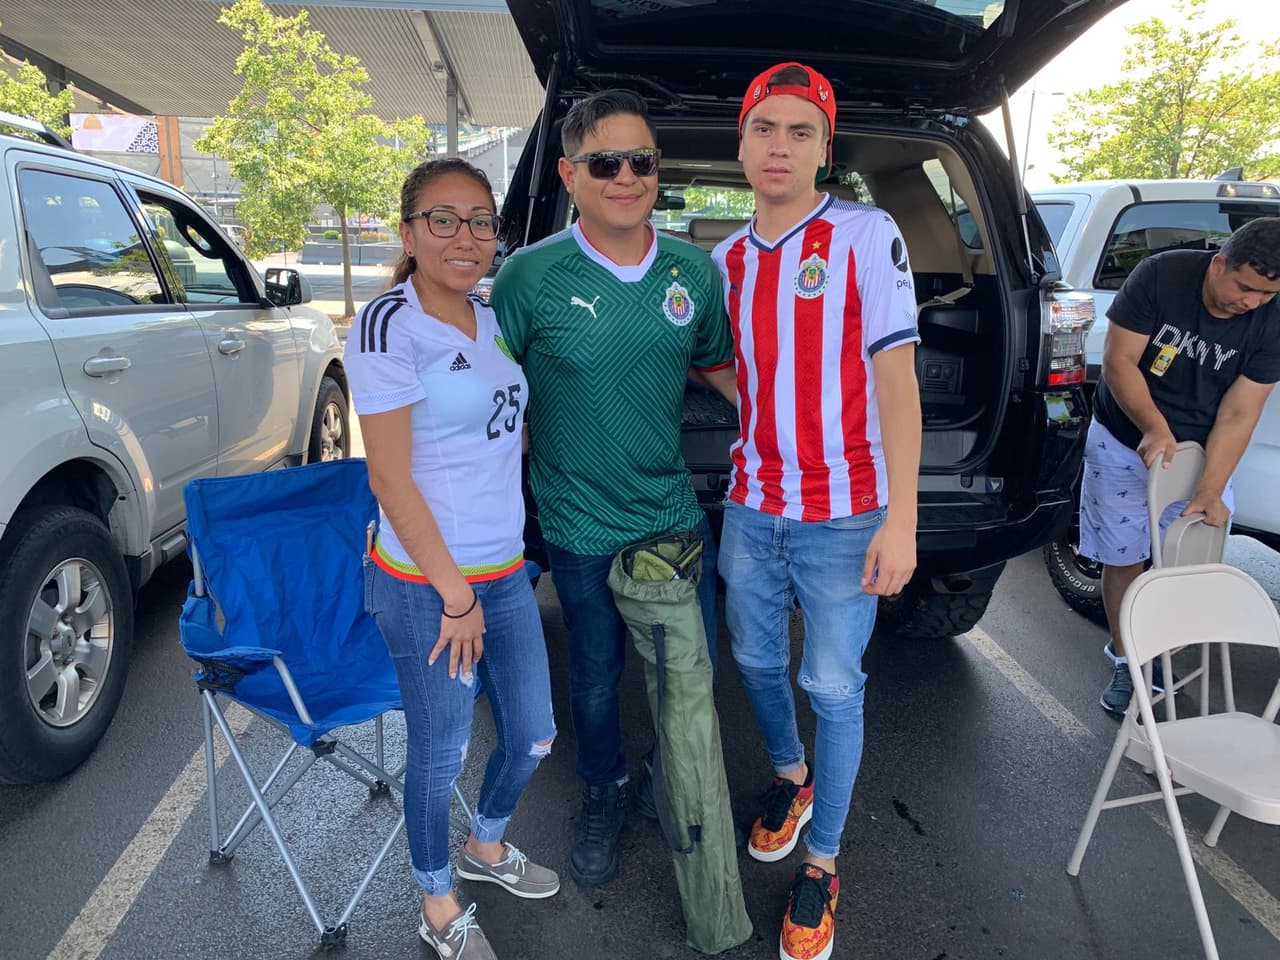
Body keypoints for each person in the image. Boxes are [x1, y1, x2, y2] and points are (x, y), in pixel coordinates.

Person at [488, 89, 736, 888]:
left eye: (642, 161)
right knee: (595, 675)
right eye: (605, 163)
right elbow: (493, 389)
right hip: (576, 519)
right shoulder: (529, 276)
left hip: (669, 513)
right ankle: (605, 787)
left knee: (689, 671)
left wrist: (818, 440)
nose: (626, 177)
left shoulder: (693, 273)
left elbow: (719, 368)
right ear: (570, 173)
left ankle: (673, 775)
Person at [710, 62, 922, 960]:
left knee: (833, 684)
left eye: (801, 132)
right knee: (756, 659)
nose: (780, 147)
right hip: (752, 505)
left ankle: (825, 862)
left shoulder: (865, 235)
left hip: (846, 514)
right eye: (766, 129)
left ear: (825, 151)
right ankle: (790, 777)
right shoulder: (721, 260)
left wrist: (901, 520)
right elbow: (721, 366)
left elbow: (897, 384)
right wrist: (757, 407)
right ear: (744, 142)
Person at [345, 158, 559, 960]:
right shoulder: (387, 327)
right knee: (442, 751)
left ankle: (486, 847)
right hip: (426, 584)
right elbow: (390, 477)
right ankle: (436, 899)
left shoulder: (492, 315)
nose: (465, 236)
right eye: (443, 218)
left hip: (502, 570)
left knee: (534, 732)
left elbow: (504, 428)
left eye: (480, 220)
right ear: (408, 231)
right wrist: (454, 596)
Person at [1082, 216, 1280, 715]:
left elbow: (1241, 410)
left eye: (1266, 295)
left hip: (1204, 444)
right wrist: (1152, 427)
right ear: (1219, 264)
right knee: (1124, 554)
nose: (1251, 302)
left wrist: (1210, 489)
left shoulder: (1272, 318)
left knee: (1189, 560)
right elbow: (1119, 361)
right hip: (1125, 435)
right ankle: (1128, 663)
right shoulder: (1160, 276)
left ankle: (1163, 654)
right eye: (1246, 287)